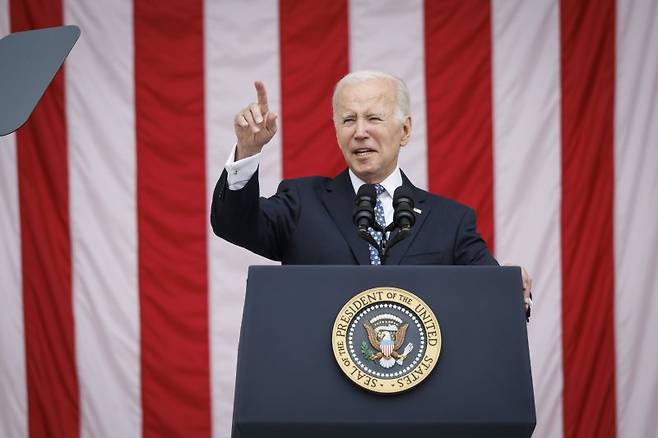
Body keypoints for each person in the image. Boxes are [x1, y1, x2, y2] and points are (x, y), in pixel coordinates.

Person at [210, 70, 532, 315]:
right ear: (337, 132)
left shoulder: (450, 222)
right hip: (322, 395)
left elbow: (494, 297)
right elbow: (233, 224)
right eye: (348, 120)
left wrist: (511, 288)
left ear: (404, 131)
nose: (360, 132)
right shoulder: (301, 203)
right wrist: (247, 151)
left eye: (373, 118)